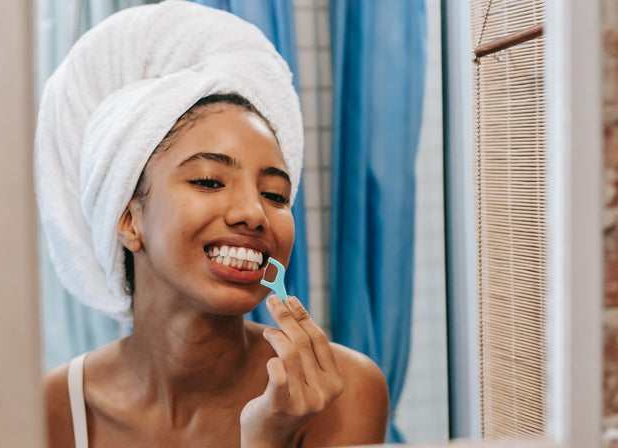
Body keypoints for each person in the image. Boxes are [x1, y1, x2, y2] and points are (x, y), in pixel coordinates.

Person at [36, 2, 388, 447]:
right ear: (127, 220)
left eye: (276, 194)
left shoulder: (341, 391)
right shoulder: (53, 409)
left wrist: (267, 440)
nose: (255, 213)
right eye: (208, 180)